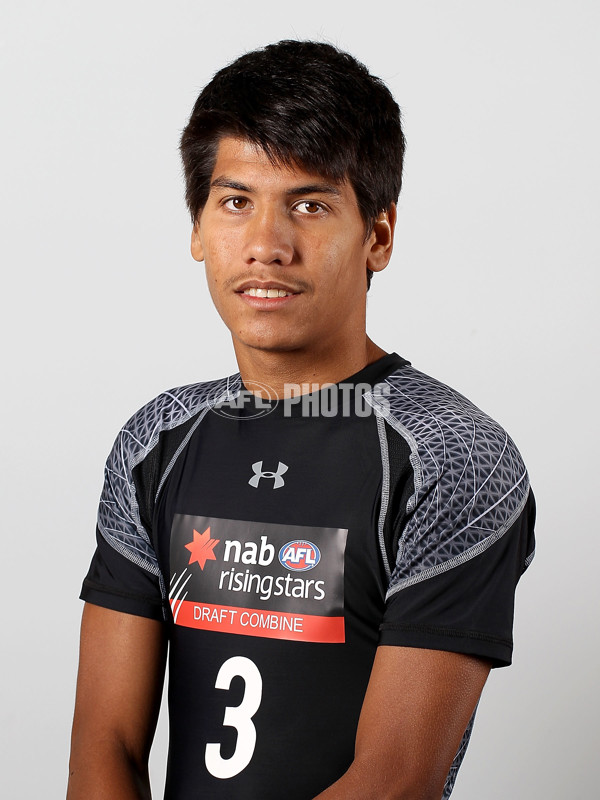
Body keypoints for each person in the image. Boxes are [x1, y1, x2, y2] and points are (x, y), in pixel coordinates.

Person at [67, 40, 535, 800]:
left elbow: (395, 781)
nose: (266, 246)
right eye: (236, 202)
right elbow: (102, 751)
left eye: (310, 205)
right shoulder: (155, 440)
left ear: (378, 236)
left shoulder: (451, 454)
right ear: (197, 229)